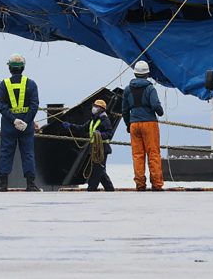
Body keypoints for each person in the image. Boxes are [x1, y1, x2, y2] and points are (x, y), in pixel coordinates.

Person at [0, 54, 41, 192]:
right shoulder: (31, 84)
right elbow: (34, 105)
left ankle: (3, 184)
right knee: (27, 153)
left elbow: (1, 105)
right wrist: (26, 122)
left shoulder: (4, 84)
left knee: (6, 152)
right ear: (23, 67)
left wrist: (13, 119)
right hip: (26, 126)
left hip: (9, 124)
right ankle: (31, 184)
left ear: (10, 68)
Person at [122, 60, 164, 191]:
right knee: (153, 154)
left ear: (135, 74)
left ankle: (140, 184)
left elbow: (124, 110)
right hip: (149, 123)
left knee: (137, 155)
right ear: (147, 74)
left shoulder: (128, 89)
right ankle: (157, 184)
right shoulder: (150, 88)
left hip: (134, 124)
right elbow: (156, 105)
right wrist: (160, 112)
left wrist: (128, 125)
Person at [62, 99, 115, 192]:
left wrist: (99, 135)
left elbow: (109, 134)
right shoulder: (93, 119)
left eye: (96, 106)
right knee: (100, 169)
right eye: (94, 106)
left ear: (101, 109)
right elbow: (82, 128)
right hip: (94, 148)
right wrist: (70, 126)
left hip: (102, 148)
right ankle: (109, 188)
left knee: (97, 170)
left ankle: (92, 188)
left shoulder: (104, 120)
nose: (94, 108)